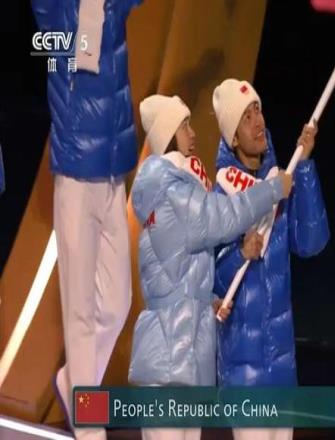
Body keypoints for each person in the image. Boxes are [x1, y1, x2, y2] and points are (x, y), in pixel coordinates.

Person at [128, 95, 293, 440]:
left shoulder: (178, 191)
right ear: (169, 134)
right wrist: (272, 190)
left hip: (185, 361)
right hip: (167, 363)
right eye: (185, 126)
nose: (193, 134)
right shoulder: (171, 192)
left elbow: (179, 277)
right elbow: (222, 216)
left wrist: (209, 302)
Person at [31, 1, 142, 438]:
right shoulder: (55, 11)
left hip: (114, 172)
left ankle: (73, 384)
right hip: (76, 171)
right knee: (79, 311)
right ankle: (88, 423)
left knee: (116, 304)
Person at [212, 79, 330, 440]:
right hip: (244, 374)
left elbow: (310, 242)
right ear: (233, 137)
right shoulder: (221, 195)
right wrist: (239, 254)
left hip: (281, 369)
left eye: (258, 110)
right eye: (246, 117)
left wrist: (304, 168)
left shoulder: (280, 181)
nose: (258, 121)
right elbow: (208, 279)